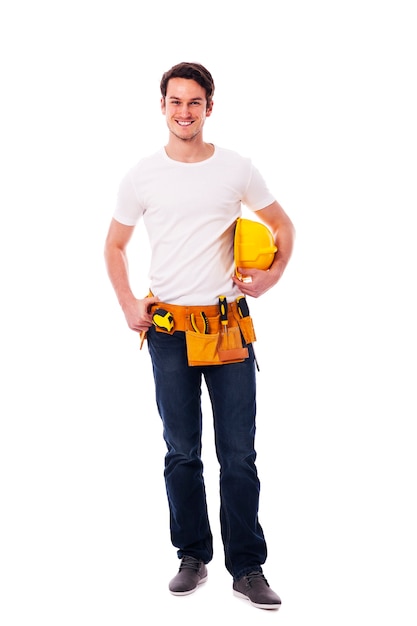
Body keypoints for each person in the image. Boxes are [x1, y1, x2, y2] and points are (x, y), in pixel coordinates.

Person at [104, 62, 295, 610]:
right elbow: (113, 246)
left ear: (210, 107)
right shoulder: (141, 175)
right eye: (174, 101)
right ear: (161, 106)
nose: (183, 111)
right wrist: (127, 303)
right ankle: (192, 555)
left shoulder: (237, 168)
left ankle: (248, 567)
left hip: (227, 328)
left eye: (194, 102)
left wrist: (270, 276)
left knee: (238, 454)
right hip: (168, 332)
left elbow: (284, 226)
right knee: (181, 452)